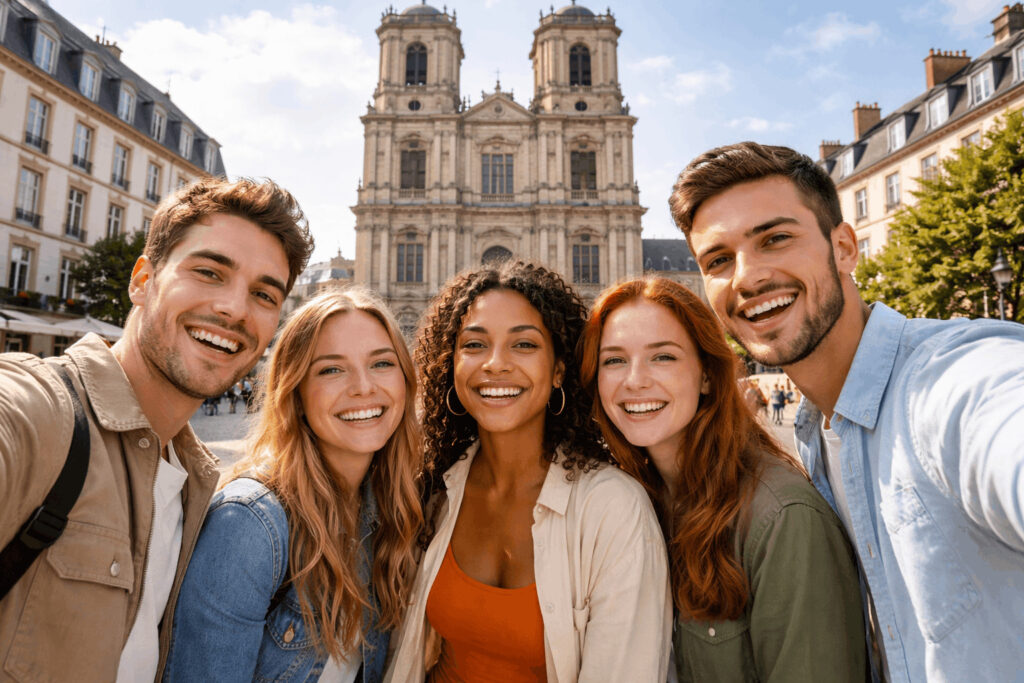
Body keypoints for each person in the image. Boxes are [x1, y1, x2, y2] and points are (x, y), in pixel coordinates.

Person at [669, 141, 1024, 682]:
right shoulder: (815, 431)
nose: (747, 277)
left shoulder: (947, 380)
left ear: (845, 249)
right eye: (719, 260)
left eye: (776, 238)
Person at [0, 177, 313, 682]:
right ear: (142, 280)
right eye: (209, 272)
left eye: (263, 294)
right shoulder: (40, 414)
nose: (235, 308)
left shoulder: (196, 483)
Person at [385, 260, 671, 682]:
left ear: (559, 369)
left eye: (524, 345)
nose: (496, 364)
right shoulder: (431, 486)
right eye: (474, 345)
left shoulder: (614, 508)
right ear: (450, 363)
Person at [578, 276, 866, 682]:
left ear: (708, 376)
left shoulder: (783, 520)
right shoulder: (632, 501)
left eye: (663, 357)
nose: (635, 379)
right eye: (613, 360)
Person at [164, 289, 422, 682]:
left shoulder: (383, 509)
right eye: (331, 369)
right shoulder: (249, 525)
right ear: (295, 392)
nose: (363, 387)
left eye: (382, 363)